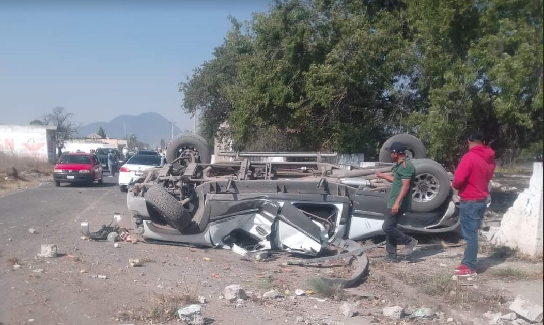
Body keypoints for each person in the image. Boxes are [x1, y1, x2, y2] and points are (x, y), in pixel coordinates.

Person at [452, 132, 495, 276]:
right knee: (473, 233)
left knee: (470, 235)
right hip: (481, 200)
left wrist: (455, 186)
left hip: (469, 200)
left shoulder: (469, 157)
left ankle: (468, 265)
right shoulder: (489, 159)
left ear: (469, 142)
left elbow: (458, 180)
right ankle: (469, 262)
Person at [376, 141, 418, 262]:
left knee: (387, 227)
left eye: (391, 152)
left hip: (398, 203)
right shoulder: (401, 165)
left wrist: (396, 203)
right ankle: (391, 255)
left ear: (395, 153)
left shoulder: (406, 166)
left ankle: (409, 241)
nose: (390, 154)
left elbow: (405, 186)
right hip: (394, 201)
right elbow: (397, 180)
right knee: (391, 227)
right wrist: (383, 176)